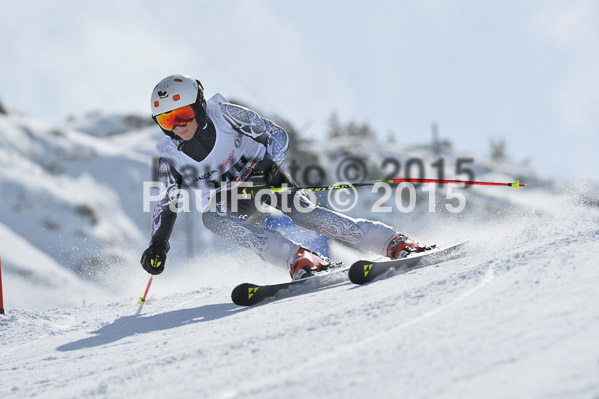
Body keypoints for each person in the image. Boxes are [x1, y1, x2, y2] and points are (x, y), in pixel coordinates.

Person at [140, 74, 432, 279]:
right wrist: (159, 244)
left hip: (266, 178)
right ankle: (300, 258)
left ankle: (393, 242)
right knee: (210, 218)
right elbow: (167, 203)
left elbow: (277, 136)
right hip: (232, 199)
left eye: (183, 115)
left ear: (200, 104)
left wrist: (266, 167)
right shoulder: (170, 155)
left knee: (307, 216)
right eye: (167, 120)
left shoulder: (226, 114)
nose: (178, 126)